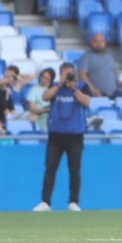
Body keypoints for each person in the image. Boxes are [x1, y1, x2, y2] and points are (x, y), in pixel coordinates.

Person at [33, 62, 91, 212]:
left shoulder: (81, 86)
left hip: (75, 135)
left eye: (70, 73)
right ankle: (45, 202)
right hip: (56, 135)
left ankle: (73, 202)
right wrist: (60, 84)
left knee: (75, 169)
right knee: (50, 168)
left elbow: (86, 102)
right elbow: (45, 97)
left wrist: (73, 88)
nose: (68, 76)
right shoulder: (55, 87)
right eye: (65, 73)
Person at [78, 33, 122, 99]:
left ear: (105, 43)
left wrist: (117, 86)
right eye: (95, 41)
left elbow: (114, 74)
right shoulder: (86, 57)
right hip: (98, 93)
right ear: (91, 43)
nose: (99, 44)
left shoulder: (109, 57)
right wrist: (92, 89)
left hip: (113, 92)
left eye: (101, 41)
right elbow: (81, 74)